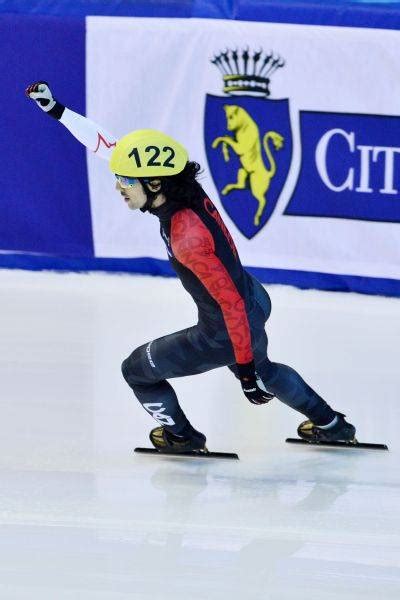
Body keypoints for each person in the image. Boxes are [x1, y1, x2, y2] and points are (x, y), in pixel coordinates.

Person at [25, 82, 356, 453]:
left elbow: (229, 306)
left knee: (135, 370)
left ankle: (182, 437)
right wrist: (58, 111)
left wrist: (243, 371)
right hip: (254, 299)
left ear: (153, 183)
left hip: (226, 329)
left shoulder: (188, 239)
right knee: (266, 370)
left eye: (125, 181)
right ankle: (333, 424)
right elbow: (109, 147)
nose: (118, 185)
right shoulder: (180, 187)